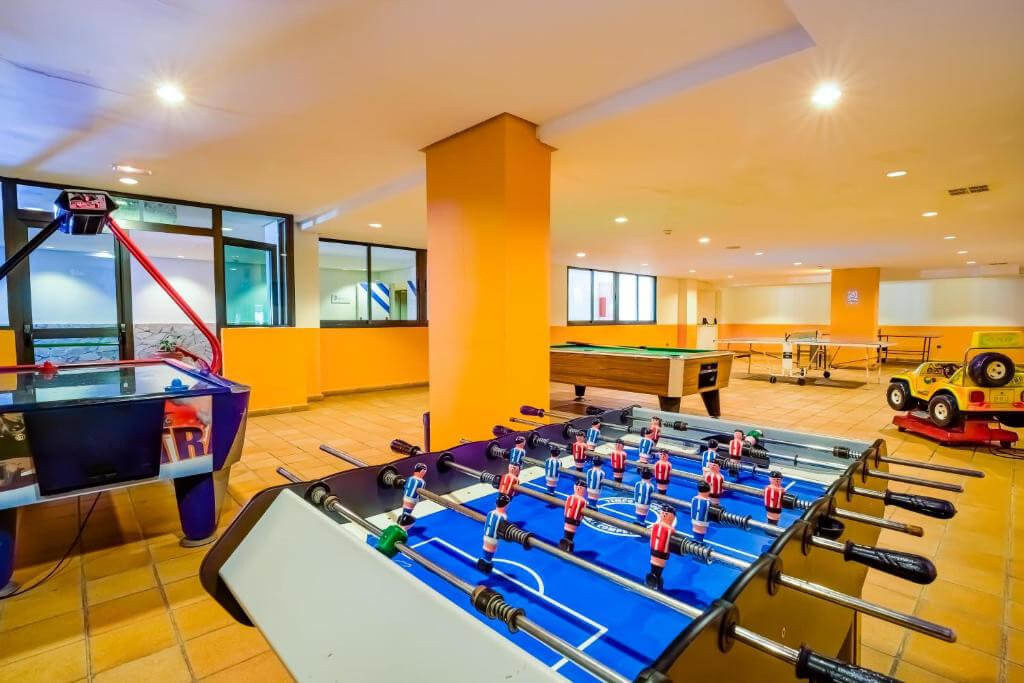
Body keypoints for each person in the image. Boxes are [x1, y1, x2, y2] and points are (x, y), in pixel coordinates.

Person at [645, 505, 677, 590]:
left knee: (656, 569)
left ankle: (653, 580)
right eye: (663, 513)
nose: (664, 514)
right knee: (657, 570)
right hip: (661, 552)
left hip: (655, 550)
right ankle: (654, 581)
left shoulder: (655, 526)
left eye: (666, 513)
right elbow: (671, 531)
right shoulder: (668, 529)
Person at [477, 494, 510, 573]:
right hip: (493, 538)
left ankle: (485, 563)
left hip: (486, 535)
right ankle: (485, 566)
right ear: (506, 505)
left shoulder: (490, 512)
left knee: (486, 551)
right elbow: (502, 530)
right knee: (489, 554)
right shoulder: (504, 516)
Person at [560, 480, 588, 552]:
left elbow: (566, 509)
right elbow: (583, 514)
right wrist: (580, 519)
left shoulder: (569, 497)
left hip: (567, 518)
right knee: (570, 536)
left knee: (567, 534)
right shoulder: (583, 501)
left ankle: (564, 547)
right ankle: (568, 549)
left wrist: (566, 515)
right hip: (575, 520)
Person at [398, 463, 427, 529]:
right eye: (424, 471)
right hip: (413, 499)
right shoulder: (422, 482)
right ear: (422, 471)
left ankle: (403, 518)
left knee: (406, 511)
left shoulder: (410, 478)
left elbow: (405, 487)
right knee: (407, 512)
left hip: (406, 497)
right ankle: (404, 521)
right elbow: (420, 493)